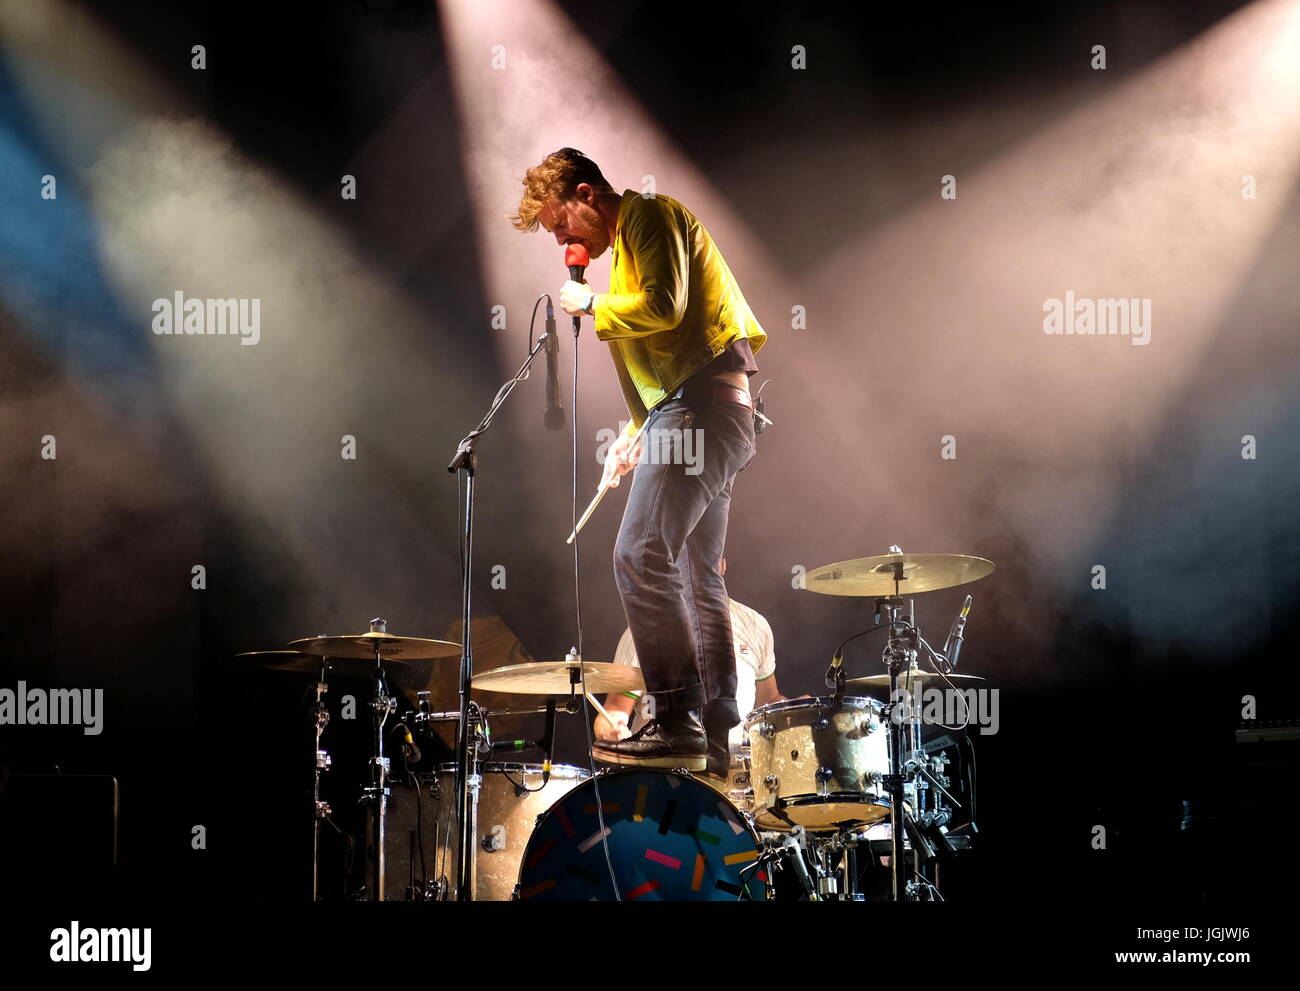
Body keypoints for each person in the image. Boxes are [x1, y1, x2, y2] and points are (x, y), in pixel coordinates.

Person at [512, 148, 767, 772]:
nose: (562, 240)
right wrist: (634, 436)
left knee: (638, 553)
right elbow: (659, 372)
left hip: (702, 411)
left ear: (585, 193)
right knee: (700, 575)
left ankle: (676, 716)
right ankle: (713, 731)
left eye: (559, 224)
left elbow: (667, 306)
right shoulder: (622, 258)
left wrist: (591, 305)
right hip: (708, 413)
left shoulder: (647, 215)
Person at [593, 560, 786, 778]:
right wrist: (612, 727)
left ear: (721, 564)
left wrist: (795, 713)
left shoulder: (755, 624)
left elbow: (768, 701)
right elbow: (615, 710)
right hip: (664, 774)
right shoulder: (645, 628)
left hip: (738, 776)